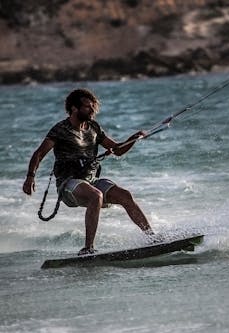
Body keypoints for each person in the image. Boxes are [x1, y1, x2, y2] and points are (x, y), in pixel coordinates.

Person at [22, 88, 161, 255]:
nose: (92, 110)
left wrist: (133, 138)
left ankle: (152, 238)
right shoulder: (60, 130)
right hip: (68, 184)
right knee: (96, 195)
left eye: (93, 106)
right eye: (88, 107)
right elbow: (38, 154)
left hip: (90, 181)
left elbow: (117, 150)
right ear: (74, 108)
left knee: (125, 195)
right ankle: (88, 249)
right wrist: (30, 177)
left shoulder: (93, 127)